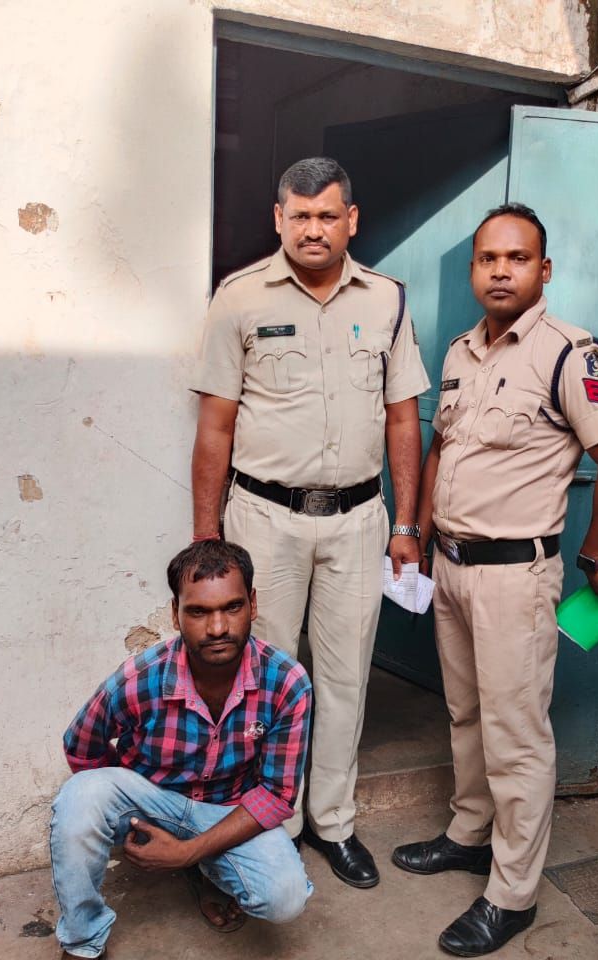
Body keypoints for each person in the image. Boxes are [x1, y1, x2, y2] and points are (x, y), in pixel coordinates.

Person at [392, 203, 598, 956]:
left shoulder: (571, 353)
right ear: (473, 269)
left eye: (517, 258)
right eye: (487, 258)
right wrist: (418, 535)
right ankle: (470, 834)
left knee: (516, 738)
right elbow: (442, 448)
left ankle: (512, 894)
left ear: (544, 270)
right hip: (451, 566)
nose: (500, 270)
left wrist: (595, 556)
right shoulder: (460, 351)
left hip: (515, 577)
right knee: (467, 716)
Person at [189, 157, 430, 888]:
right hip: (264, 519)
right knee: (265, 681)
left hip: (358, 520)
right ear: (278, 219)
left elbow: (403, 418)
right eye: (299, 216)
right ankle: (277, 822)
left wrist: (407, 525)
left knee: (347, 677)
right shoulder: (238, 298)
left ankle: (333, 823)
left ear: (350, 219)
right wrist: (207, 544)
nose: (313, 229)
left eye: (327, 215)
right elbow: (214, 428)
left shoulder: (386, 299)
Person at [49, 540, 313, 959]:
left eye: (232, 607)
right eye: (198, 611)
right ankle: (83, 941)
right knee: (81, 797)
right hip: (152, 802)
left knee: (286, 897)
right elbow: (81, 746)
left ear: (253, 604)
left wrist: (187, 851)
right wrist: (126, 798)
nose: (218, 628)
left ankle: (203, 866)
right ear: (176, 613)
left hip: (228, 807)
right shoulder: (140, 678)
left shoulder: (287, 682)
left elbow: (276, 794)